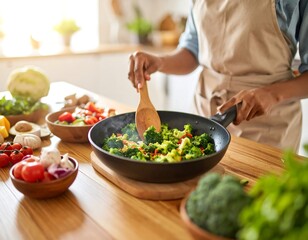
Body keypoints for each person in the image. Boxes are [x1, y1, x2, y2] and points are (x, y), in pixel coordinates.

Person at [128, 0, 308, 152]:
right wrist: (160, 62)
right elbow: (193, 48)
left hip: (267, 126)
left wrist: (271, 94)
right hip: (205, 114)